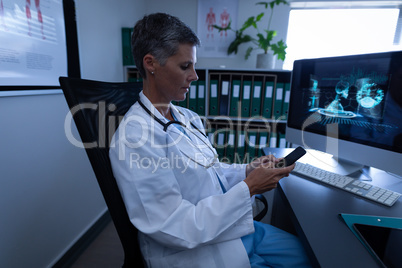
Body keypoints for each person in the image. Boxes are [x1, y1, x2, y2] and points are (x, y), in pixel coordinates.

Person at [109, 12, 311, 268]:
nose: (195, 75)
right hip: (198, 252)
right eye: (185, 66)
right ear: (151, 64)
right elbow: (175, 227)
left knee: (313, 257)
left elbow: (211, 171)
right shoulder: (134, 139)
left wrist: (248, 171)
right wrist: (249, 187)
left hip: (230, 231)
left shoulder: (186, 117)